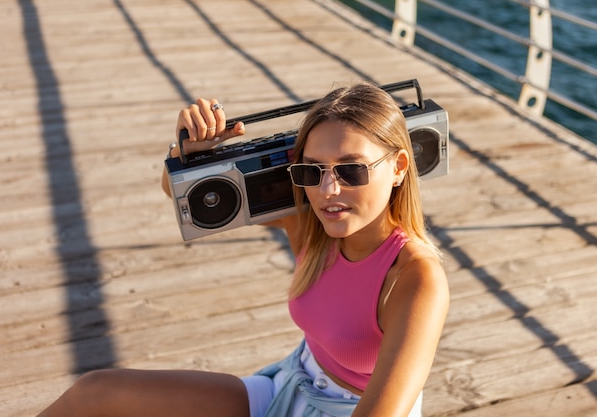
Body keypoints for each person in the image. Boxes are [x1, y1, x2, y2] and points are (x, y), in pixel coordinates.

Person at [37, 81, 449, 417]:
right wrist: (187, 155)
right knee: (97, 394)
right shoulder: (312, 222)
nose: (328, 190)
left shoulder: (414, 278)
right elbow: (185, 199)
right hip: (290, 384)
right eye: (311, 170)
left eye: (351, 169)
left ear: (398, 167)